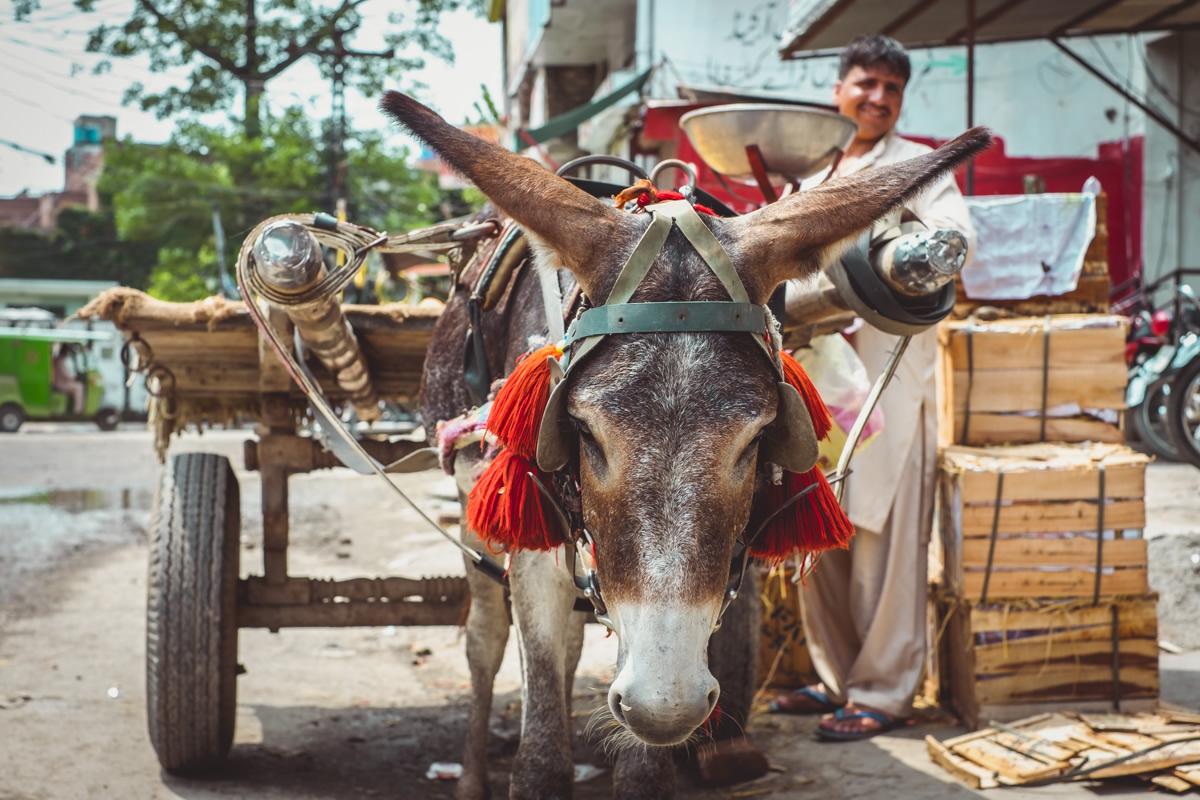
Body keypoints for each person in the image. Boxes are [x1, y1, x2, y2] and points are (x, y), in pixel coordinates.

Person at [771, 34, 977, 740]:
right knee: (817, 522)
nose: (879, 97)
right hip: (815, 375)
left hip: (886, 372)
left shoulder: (917, 167)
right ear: (838, 90)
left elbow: (954, 239)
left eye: (892, 87)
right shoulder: (810, 171)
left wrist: (896, 256)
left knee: (883, 533)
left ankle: (884, 691)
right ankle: (836, 679)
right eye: (867, 82)